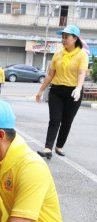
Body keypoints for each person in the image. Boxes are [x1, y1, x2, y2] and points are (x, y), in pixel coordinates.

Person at [36, 25, 88, 159]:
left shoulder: (82, 55)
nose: (64, 40)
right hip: (57, 90)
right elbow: (50, 74)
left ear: (75, 38)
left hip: (73, 91)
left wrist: (78, 87)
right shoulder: (58, 54)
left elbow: (82, 72)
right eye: (63, 37)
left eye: (67, 37)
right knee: (55, 119)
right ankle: (48, 148)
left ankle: (59, 146)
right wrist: (41, 90)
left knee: (67, 121)